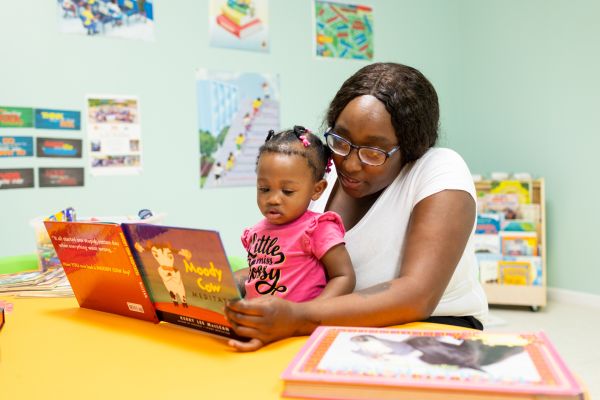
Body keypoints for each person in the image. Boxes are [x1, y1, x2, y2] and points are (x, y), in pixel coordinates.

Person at [225, 62, 488, 351]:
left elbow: (417, 296)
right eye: (341, 140)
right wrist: (220, 286)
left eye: (373, 152)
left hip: (436, 328)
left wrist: (299, 318)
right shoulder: (323, 178)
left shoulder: (439, 170)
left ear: (411, 146)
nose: (349, 164)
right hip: (330, 323)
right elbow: (286, 263)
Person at [238, 126, 355, 305]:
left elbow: (344, 277)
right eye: (264, 189)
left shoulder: (317, 228)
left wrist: (308, 312)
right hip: (257, 324)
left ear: (317, 190)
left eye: (287, 191)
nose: (273, 199)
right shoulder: (255, 233)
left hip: (297, 327)